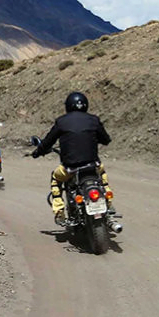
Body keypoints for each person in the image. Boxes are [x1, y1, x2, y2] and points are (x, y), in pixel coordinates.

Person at [31, 92, 115, 225]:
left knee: (56, 179)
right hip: (92, 165)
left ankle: (59, 212)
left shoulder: (61, 121)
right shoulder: (93, 120)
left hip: (70, 168)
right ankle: (109, 204)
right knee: (102, 176)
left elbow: (48, 141)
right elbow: (106, 139)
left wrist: (37, 152)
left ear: (68, 106)